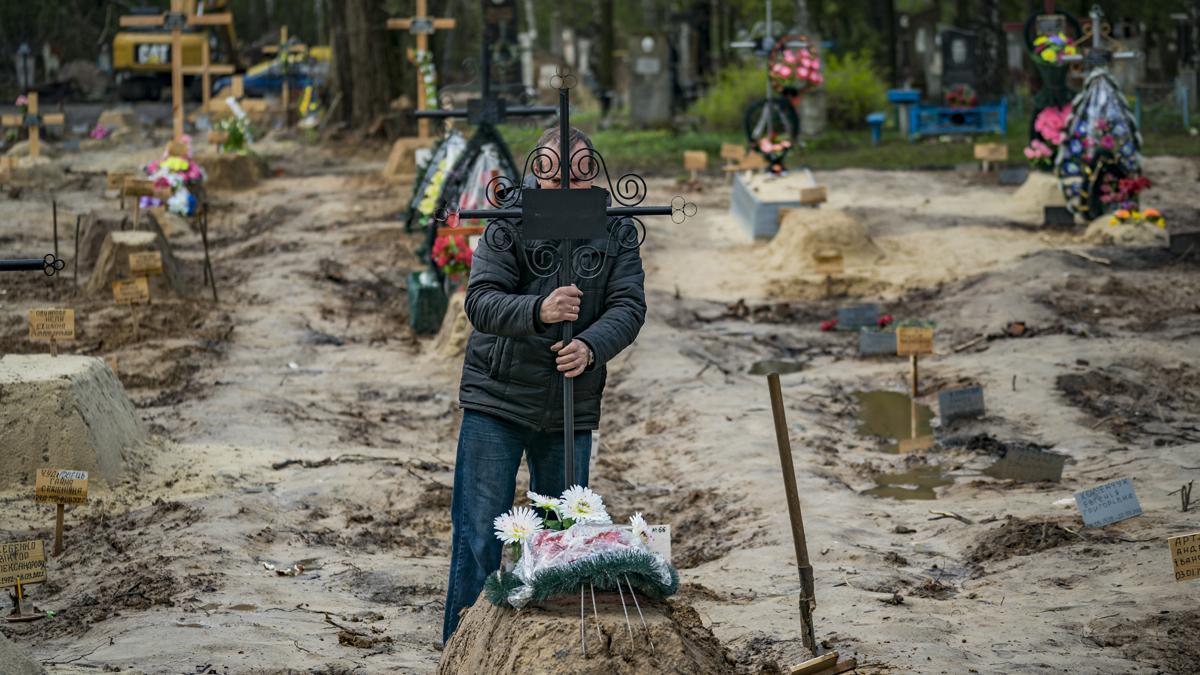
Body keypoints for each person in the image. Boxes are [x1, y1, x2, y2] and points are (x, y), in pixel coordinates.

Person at [441, 126, 646, 642]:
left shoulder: (615, 228)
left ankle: (544, 646)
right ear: (536, 171)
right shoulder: (509, 221)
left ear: (593, 171)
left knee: (560, 534)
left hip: (569, 403)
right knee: (479, 531)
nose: (564, 187)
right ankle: (464, 644)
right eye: (552, 175)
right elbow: (481, 301)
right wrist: (539, 309)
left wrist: (592, 346)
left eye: (578, 175)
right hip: (498, 397)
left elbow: (628, 304)